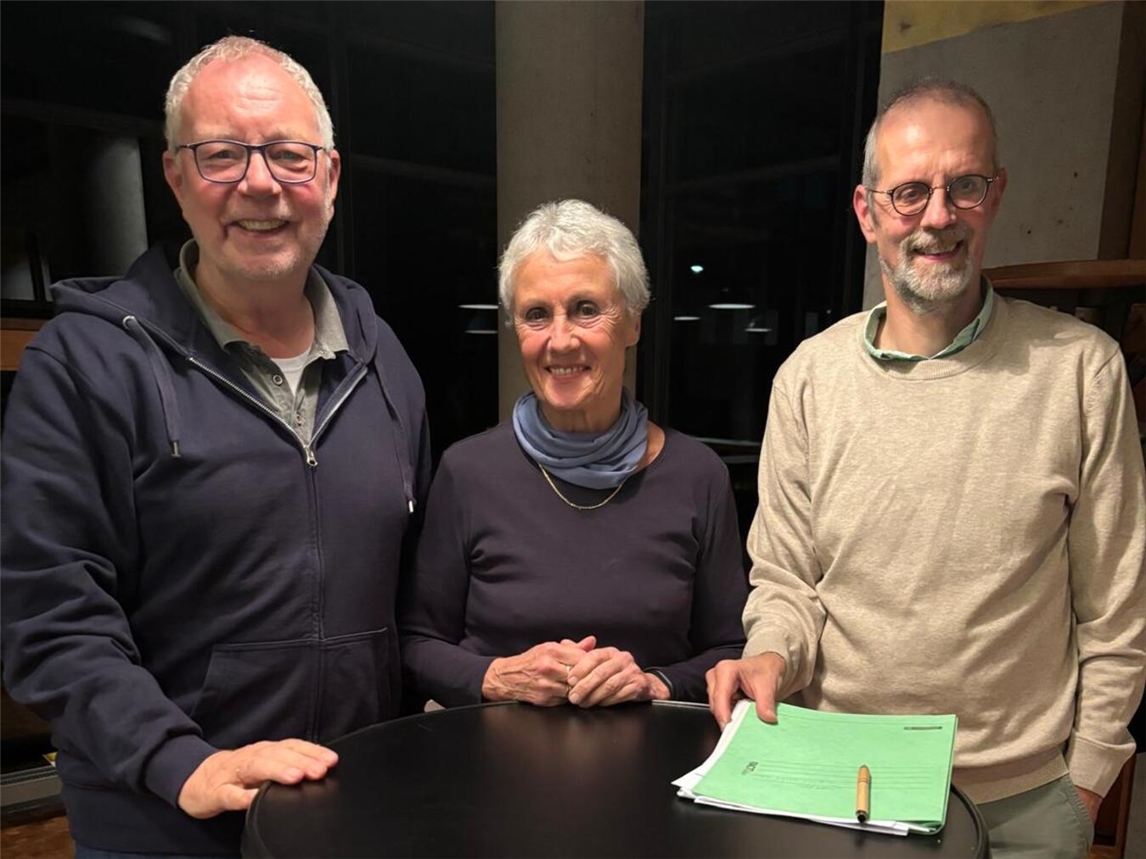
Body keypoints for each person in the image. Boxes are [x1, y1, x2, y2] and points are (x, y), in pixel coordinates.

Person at [0, 36, 430, 858]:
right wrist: (179, 761)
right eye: (222, 154)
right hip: (161, 820)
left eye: (289, 155)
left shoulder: (387, 367)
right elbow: (49, 617)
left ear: (330, 178)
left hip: (348, 809)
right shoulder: (86, 364)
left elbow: (413, 595)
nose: (260, 182)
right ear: (175, 177)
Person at [707, 79, 1145, 859]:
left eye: (963, 185)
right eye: (909, 192)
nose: (938, 216)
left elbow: (1115, 606)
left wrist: (1086, 781)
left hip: (1023, 802)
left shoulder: (1082, 371)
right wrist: (771, 649)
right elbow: (786, 581)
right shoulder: (808, 379)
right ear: (867, 210)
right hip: (836, 784)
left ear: (996, 193)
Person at [400, 199, 746, 709]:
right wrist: (499, 677)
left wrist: (653, 684)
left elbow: (731, 650)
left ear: (632, 323)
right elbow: (415, 643)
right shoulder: (468, 473)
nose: (560, 341)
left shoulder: (698, 476)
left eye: (586, 309)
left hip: (649, 768)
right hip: (487, 770)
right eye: (536, 315)